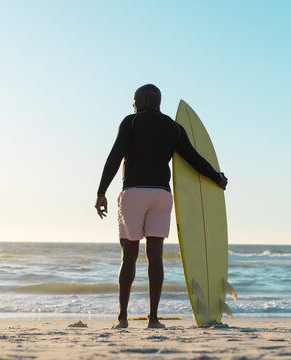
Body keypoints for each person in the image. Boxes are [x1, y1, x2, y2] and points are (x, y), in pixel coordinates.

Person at [95, 84, 228, 329]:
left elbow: (115, 156)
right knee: (155, 256)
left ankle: (122, 318)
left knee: (129, 257)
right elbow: (194, 158)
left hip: (134, 192)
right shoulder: (174, 128)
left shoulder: (131, 122)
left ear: (147, 98)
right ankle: (153, 319)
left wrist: (101, 192)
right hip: (161, 195)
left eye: (135, 100)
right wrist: (216, 177)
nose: (133, 105)